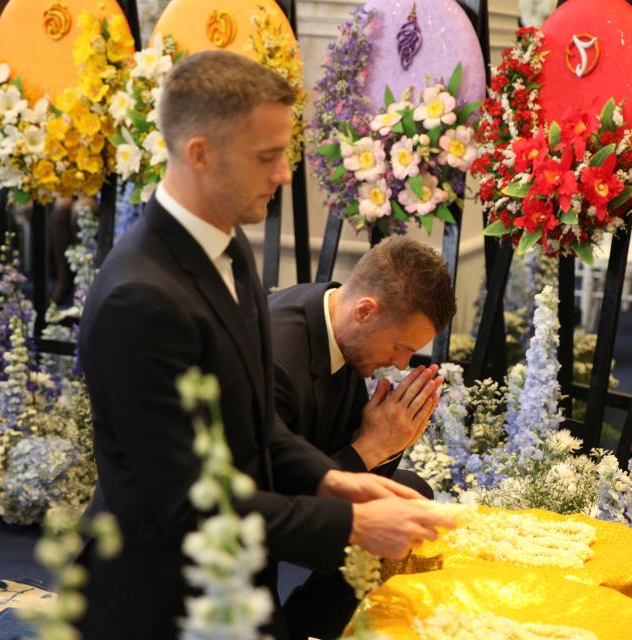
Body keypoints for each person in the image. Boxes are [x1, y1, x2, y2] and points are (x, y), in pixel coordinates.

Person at [76, 50, 453, 640]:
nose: (284, 174)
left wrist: (337, 480)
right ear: (201, 153)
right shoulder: (138, 299)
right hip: (155, 598)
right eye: (267, 156)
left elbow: (259, 427)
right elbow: (188, 506)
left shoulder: (230, 249)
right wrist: (350, 522)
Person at [269, 236, 457, 638]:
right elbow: (275, 497)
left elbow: (348, 449)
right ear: (366, 311)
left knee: (412, 494)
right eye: (401, 347)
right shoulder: (277, 361)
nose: (402, 363)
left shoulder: (341, 325)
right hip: (247, 530)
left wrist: (390, 440)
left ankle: (315, 619)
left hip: (308, 488)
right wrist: (371, 447)